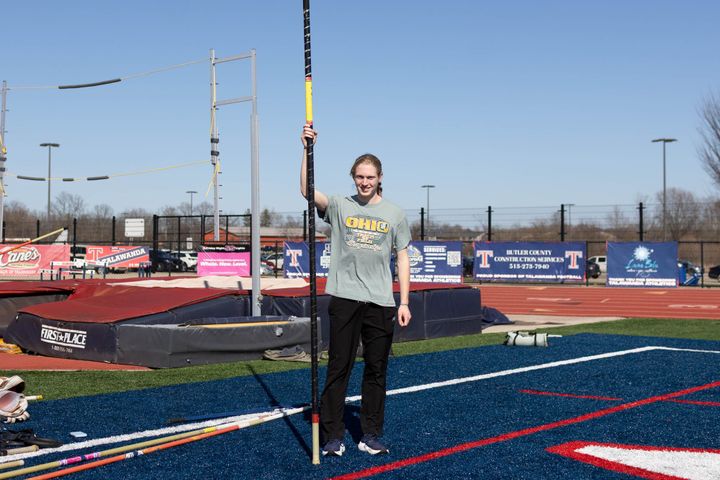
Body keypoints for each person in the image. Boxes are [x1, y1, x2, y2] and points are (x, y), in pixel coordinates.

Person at [300, 124, 412, 457]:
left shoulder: (394, 214)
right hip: (345, 298)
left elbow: (402, 256)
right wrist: (306, 148)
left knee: (377, 370)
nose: (364, 182)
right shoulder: (339, 205)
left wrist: (404, 301)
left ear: (379, 178)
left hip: (380, 302)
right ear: (354, 178)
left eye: (370, 177)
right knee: (339, 367)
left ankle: (370, 434)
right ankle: (333, 436)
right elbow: (307, 191)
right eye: (359, 177)